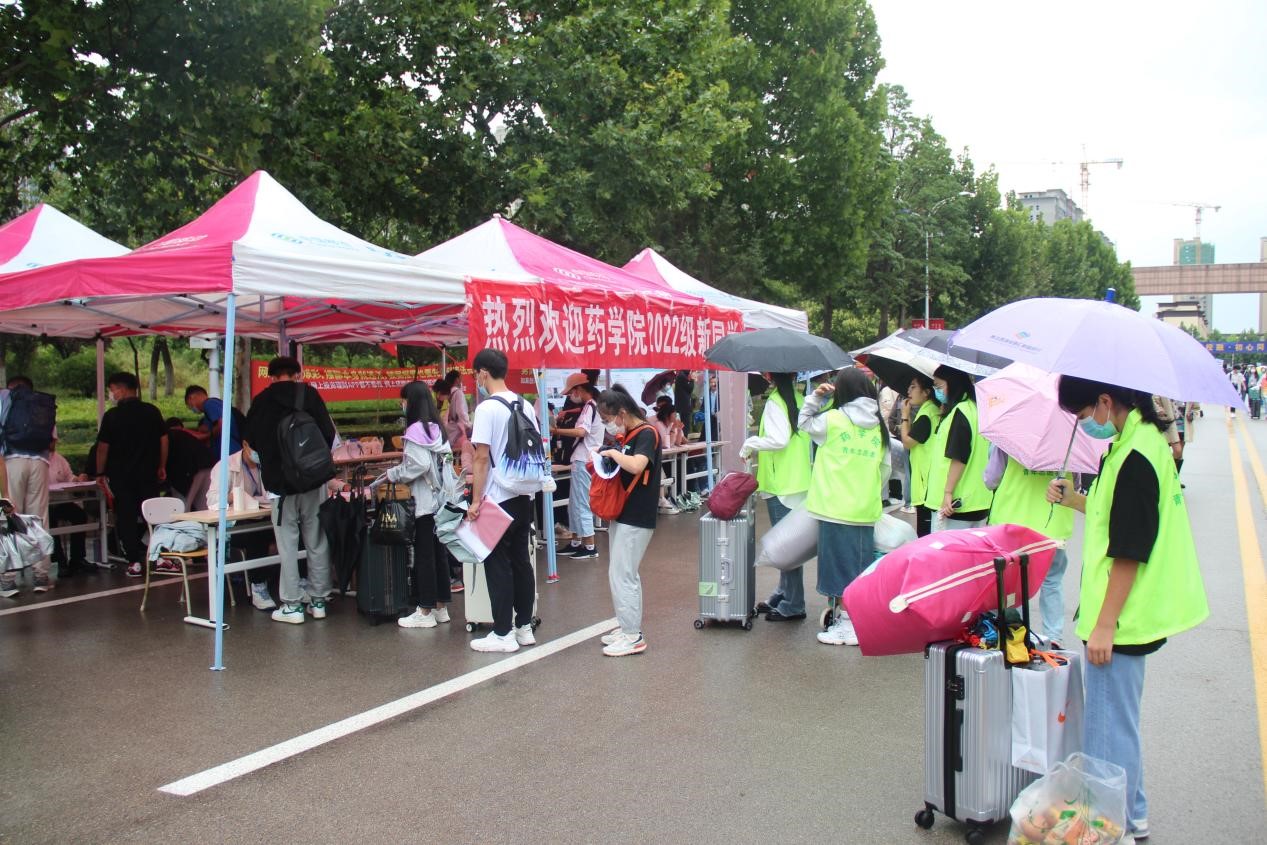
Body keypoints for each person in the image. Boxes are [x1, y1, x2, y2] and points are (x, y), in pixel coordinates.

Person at [1047, 376, 1209, 843]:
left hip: (1121, 619)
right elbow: (1110, 515)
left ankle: (1107, 828)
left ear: (1104, 401)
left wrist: (1104, 626)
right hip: (1126, 615)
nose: (1085, 424)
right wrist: (1073, 498)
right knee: (1118, 727)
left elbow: (1129, 551)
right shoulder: (1132, 445)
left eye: (1084, 415)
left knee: (1106, 736)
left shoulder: (1135, 457)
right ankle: (1133, 818)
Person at [242, 356, 337, 624]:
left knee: (288, 544)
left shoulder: (262, 401)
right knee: (316, 540)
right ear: (297, 374)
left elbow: (251, 443)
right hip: (313, 481)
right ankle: (319, 601)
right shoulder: (310, 395)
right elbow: (328, 434)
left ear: (271, 376)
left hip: (280, 486)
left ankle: (293, 605)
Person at [799, 368, 890, 646]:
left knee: (838, 569)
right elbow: (885, 469)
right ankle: (853, 620)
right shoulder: (880, 426)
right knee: (859, 568)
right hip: (864, 510)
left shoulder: (833, 419)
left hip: (834, 507)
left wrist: (815, 398)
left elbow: (803, 423)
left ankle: (849, 626)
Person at [467, 348, 541, 653]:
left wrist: (475, 500)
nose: (477, 380)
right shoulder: (525, 404)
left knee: (497, 564)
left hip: (497, 498)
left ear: (483, 373)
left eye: (476, 375)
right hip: (524, 495)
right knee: (521, 561)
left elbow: (481, 458)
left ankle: (502, 633)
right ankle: (524, 627)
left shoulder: (486, 409)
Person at [984, 446, 1075, 647]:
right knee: (1052, 582)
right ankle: (1054, 637)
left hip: (1013, 525)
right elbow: (1074, 485)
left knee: (1010, 582)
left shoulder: (1008, 438)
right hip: (1052, 525)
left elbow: (991, 480)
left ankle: (1012, 634)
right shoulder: (1068, 441)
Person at [382, 381, 455, 629]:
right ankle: (441, 606)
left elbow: (419, 465)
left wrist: (395, 473)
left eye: (403, 400)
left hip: (424, 503)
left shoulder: (415, 431)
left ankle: (424, 610)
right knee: (438, 554)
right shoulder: (438, 429)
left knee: (424, 556)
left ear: (411, 402)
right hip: (442, 501)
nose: (402, 404)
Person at [594, 385, 661, 656]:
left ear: (621, 413)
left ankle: (633, 636)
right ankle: (627, 628)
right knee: (622, 573)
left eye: (607, 419)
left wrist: (613, 454)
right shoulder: (632, 433)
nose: (607, 425)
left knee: (623, 574)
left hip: (637, 514)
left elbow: (637, 465)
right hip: (625, 513)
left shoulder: (647, 433)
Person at [741, 372, 812, 622]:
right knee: (790, 546)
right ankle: (783, 593)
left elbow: (778, 440)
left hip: (781, 484)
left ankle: (793, 603)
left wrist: (750, 443)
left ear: (770, 374)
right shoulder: (799, 398)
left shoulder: (776, 402)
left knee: (786, 548)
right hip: (798, 481)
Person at [96, 372, 168, 579]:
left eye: (112, 390)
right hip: (148, 474)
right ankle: (159, 557)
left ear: (122, 389)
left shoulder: (112, 416)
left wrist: (100, 472)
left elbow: (102, 447)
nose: (111, 394)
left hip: (122, 477)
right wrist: (162, 465)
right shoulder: (152, 411)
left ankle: (134, 562)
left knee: (126, 517)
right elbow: (164, 440)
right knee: (153, 516)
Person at [0, 375, 59, 593]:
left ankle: (7, 579)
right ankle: (41, 576)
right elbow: (52, 444)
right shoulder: (42, 404)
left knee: (9, 517)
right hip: (40, 463)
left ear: (11, 388)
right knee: (39, 519)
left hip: (10, 462)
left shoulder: (4, 398)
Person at [206, 444, 277, 610]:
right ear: (245, 445)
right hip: (234, 527)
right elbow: (211, 499)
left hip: (264, 515)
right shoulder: (225, 466)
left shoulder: (267, 463)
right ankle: (258, 586)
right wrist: (232, 496)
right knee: (257, 532)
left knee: (293, 526)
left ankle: (302, 581)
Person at [923, 365, 992, 532]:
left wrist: (948, 492)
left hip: (955, 503)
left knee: (946, 548)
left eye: (939, 386)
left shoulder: (961, 412)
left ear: (953, 384)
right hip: (978, 500)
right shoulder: (977, 409)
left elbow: (959, 456)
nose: (936, 391)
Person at [549, 372, 603, 559]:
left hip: (584, 460)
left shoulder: (589, 407)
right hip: (584, 460)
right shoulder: (592, 406)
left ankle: (589, 546)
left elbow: (581, 431)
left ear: (579, 389)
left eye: (571, 392)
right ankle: (576, 542)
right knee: (574, 505)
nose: (571, 396)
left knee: (581, 504)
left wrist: (556, 430)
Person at [899, 374, 941, 537]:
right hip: (930, 480)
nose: (908, 391)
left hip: (925, 484)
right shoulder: (932, 410)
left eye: (913, 387)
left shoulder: (926, 415)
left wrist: (904, 416)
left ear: (926, 392)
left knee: (925, 535)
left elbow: (907, 442)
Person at [47, 436, 90, 578]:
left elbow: (69, 476)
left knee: (80, 516)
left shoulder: (59, 459)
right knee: (49, 521)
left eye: (54, 440)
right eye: (51, 440)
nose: (53, 443)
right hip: (44, 504)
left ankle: (77, 558)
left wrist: (77, 480)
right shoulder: (36, 460)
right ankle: (60, 561)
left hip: (60, 501)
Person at [164, 417, 214, 510]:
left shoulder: (167, 437)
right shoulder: (186, 434)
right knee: (204, 507)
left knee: (183, 507)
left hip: (189, 471)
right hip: (208, 466)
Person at [184, 385, 243, 460]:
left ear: (191, 398)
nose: (192, 409)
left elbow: (222, 424)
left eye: (189, 405)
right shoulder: (211, 409)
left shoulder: (210, 404)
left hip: (230, 452)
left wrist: (208, 435)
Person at [651, 397, 686, 514]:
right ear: (667, 415)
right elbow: (667, 445)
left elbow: (678, 443)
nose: (675, 417)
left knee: (682, 465)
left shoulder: (671, 424)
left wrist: (679, 430)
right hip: (659, 458)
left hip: (668, 457)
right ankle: (664, 499)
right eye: (674, 414)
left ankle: (678, 496)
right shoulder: (659, 424)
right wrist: (673, 429)